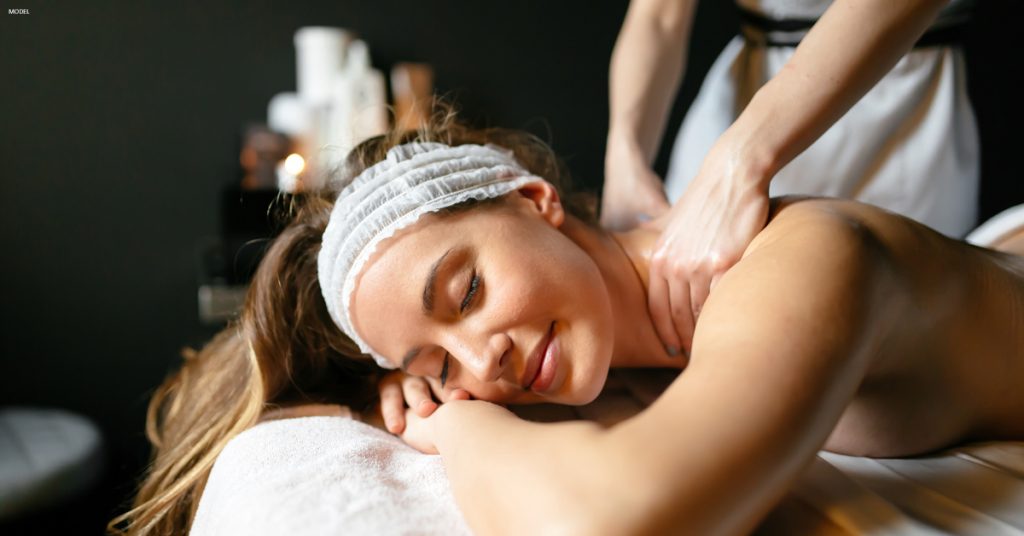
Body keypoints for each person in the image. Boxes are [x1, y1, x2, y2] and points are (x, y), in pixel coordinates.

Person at [110, 115, 1022, 536]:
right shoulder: (611, 362)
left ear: (536, 200)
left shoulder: (798, 261)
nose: (483, 361)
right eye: (440, 365)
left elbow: (615, 522)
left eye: (465, 294)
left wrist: (457, 422)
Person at [603, 0, 979, 358]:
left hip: (902, 124)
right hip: (737, 113)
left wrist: (740, 163)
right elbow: (658, 16)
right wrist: (625, 154)